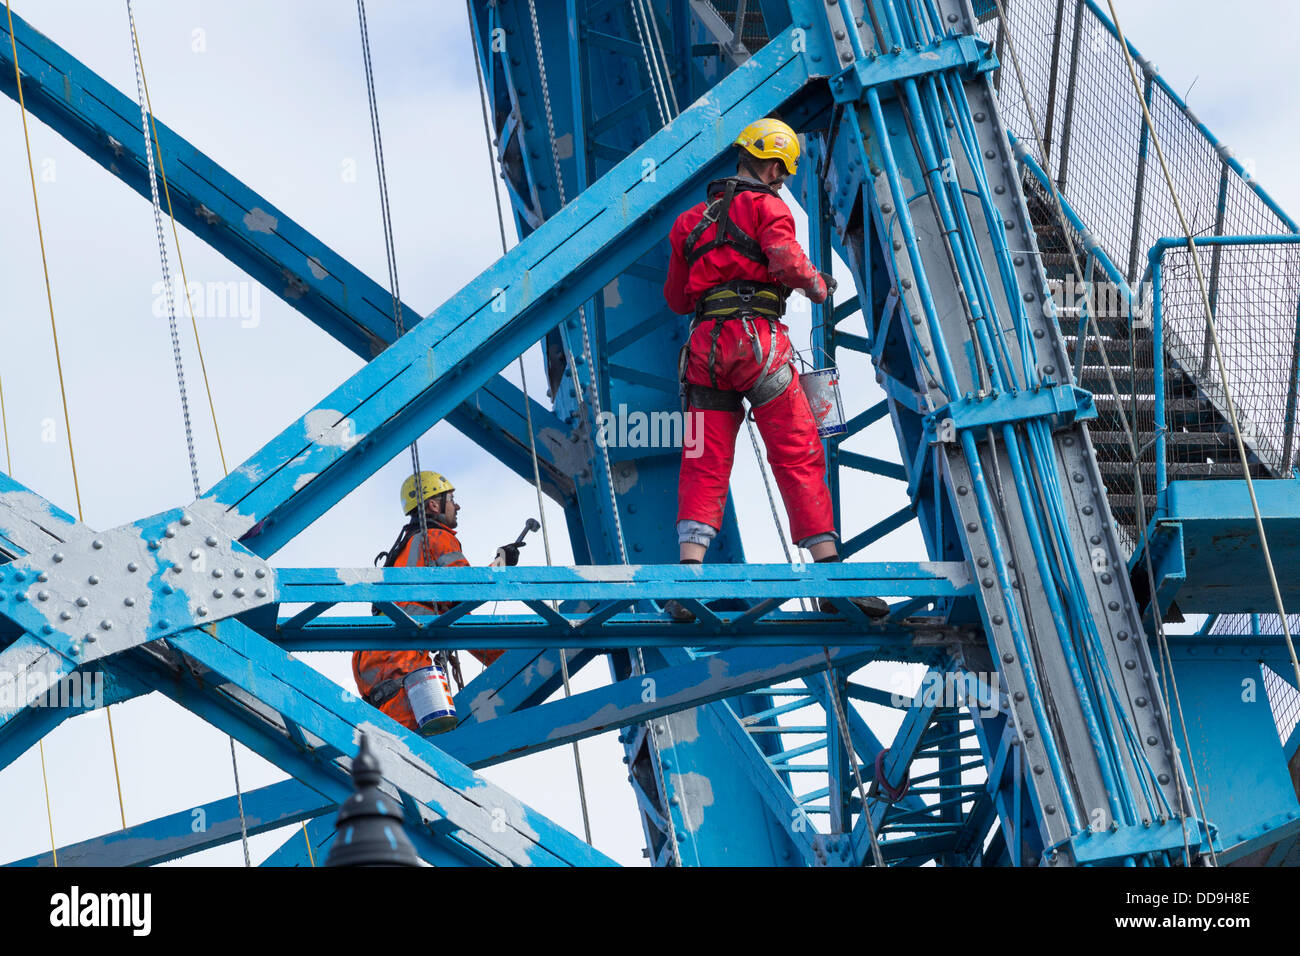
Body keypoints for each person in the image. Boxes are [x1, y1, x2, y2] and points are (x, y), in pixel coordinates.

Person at [662, 117, 889, 621]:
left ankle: (687, 578)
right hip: (757, 345)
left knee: (703, 458)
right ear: (768, 164)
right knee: (796, 450)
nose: (783, 181)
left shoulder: (688, 223)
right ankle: (830, 577)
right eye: (782, 172)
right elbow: (786, 263)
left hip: (705, 352)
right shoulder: (768, 206)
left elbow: (677, 299)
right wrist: (817, 285)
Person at [352, 470, 517, 732]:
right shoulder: (437, 537)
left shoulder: (403, 551)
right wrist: (498, 569)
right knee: (415, 751)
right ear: (432, 504)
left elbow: (458, 617)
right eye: (451, 498)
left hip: (373, 657)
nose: (457, 505)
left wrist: (503, 659)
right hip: (401, 657)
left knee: (394, 748)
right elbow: (465, 590)